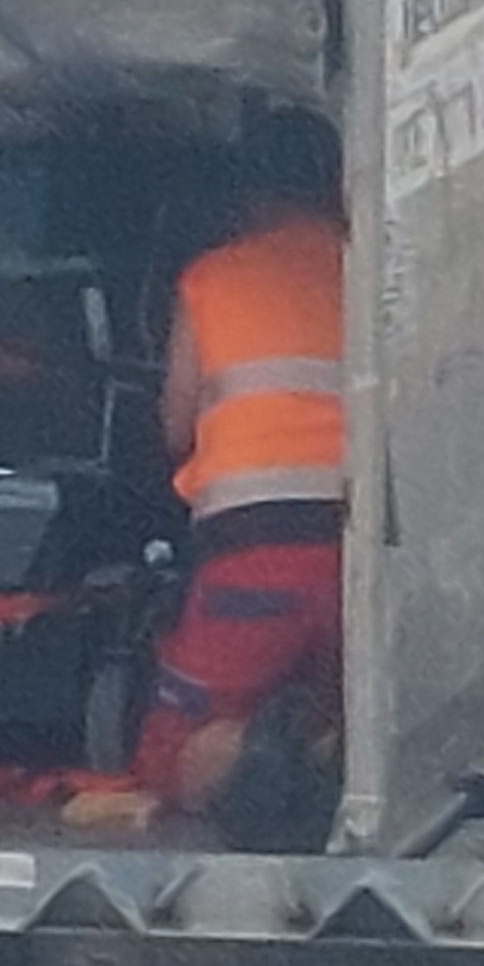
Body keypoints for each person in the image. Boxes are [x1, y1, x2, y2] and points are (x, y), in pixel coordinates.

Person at [135, 108, 348, 842]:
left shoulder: (211, 278)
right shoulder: (374, 273)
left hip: (254, 554)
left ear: (247, 194)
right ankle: (319, 758)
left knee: (167, 754)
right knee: (347, 710)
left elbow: (175, 427)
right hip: (363, 557)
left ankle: (261, 766)